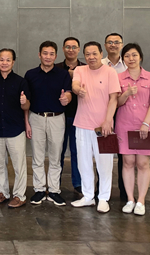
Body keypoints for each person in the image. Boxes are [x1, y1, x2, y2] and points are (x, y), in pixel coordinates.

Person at [71, 41, 121, 213]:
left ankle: (104, 198)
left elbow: (114, 98)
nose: (91, 57)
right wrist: (78, 90)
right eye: (87, 54)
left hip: (103, 127)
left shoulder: (110, 72)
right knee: (83, 163)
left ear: (101, 54)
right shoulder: (80, 70)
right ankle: (88, 196)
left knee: (104, 164)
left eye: (94, 53)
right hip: (82, 124)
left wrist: (108, 120)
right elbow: (75, 84)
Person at [116, 43, 150, 216]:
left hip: (145, 125)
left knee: (142, 163)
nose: (131, 59)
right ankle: (130, 199)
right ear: (123, 59)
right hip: (125, 124)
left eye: (134, 55)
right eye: (127, 56)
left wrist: (146, 123)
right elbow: (116, 103)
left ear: (140, 57)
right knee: (127, 162)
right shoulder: (118, 78)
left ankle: (141, 200)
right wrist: (126, 94)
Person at [25, 41, 72, 206]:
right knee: (37, 156)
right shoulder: (30, 74)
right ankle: (39, 189)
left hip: (57, 118)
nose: (48, 57)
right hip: (36, 117)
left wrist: (66, 99)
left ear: (56, 56)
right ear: (39, 55)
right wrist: (27, 122)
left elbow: (69, 93)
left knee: (55, 156)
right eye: (45, 53)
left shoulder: (63, 74)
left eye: (51, 54)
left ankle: (53, 190)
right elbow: (26, 101)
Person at [0, 48, 31, 208]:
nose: (4, 62)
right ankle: (3, 192)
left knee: (19, 165)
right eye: (1, 59)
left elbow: (27, 106)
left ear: (13, 62)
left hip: (16, 129)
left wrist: (24, 102)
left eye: (8, 60)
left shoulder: (21, 81)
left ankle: (20, 195)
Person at [55, 37, 85, 195]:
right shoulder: (56, 68)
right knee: (57, 152)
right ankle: (55, 184)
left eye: (74, 47)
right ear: (63, 49)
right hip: (58, 116)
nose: (71, 50)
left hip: (79, 116)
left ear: (79, 49)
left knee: (77, 151)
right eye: (68, 47)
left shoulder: (86, 69)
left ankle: (78, 183)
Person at [101, 32, 128, 201]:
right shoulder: (100, 64)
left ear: (121, 44)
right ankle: (102, 190)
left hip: (124, 114)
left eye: (116, 42)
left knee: (124, 154)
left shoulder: (128, 64)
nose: (113, 45)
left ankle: (124, 191)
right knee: (105, 152)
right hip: (105, 113)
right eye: (109, 42)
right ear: (105, 45)